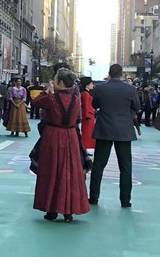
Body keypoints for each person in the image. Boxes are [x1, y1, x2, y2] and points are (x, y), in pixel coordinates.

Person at [32, 69, 90, 222]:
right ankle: (68, 212)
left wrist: (47, 91)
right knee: (70, 171)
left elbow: (35, 103)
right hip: (70, 136)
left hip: (52, 135)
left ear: (61, 83)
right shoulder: (76, 99)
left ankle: (51, 210)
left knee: (51, 170)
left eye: (55, 79)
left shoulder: (51, 98)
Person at [88, 63, 141, 208]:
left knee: (99, 164)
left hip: (104, 129)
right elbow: (137, 106)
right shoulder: (130, 89)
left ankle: (93, 196)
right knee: (125, 166)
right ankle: (125, 200)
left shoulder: (100, 88)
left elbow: (94, 105)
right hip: (123, 130)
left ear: (109, 73)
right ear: (122, 74)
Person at [79, 75, 95, 154]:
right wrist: (87, 115)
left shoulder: (85, 93)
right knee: (86, 133)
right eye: (91, 83)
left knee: (87, 133)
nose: (92, 85)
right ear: (87, 84)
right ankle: (84, 148)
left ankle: (84, 148)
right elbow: (85, 106)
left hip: (89, 114)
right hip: (88, 116)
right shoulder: (85, 94)